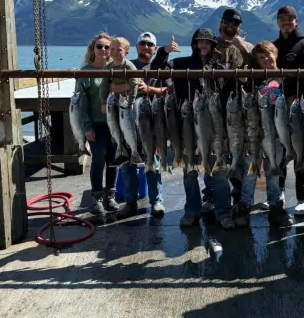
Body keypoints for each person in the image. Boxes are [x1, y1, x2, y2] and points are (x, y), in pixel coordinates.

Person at [151, 28, 243, 229]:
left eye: (207, 42)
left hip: (215, 126)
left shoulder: (220, 66)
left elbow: (233, 90)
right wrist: (164, 50)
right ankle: (191, 211)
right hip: (187, 125)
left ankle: (224, 213)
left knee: (218, 172)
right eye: (199, 42)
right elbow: (156, 67)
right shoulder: (182, 63)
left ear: (212, 45)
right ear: (194, 44)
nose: (203, 45)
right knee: (190, 173)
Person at [234, 41, 293, 228]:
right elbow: (244, 109)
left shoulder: (286, 78)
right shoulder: (254, 79)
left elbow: (292, 106)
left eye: (268, 55)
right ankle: (244, 207)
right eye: (260, 58)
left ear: (275, 54)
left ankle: (276, 207)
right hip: (253, 133)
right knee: (250, 172)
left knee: (273, 172)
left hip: (276, 135)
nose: (265, 59)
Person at [202, 8, 254, 212]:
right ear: (220, 23)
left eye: (235, 24)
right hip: (212, 105)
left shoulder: (246, 46)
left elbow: (254, 71)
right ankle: (210, 195)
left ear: (239, 27)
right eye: (227, 22)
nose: (230, 26)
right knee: (214, 150)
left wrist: (243, 48)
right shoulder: (209, 44)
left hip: (238, 107)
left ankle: (239, 194)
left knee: (238, 150)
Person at [116, 32, 170, 219]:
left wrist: (149, 89)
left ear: (155, 48)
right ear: (136, 46)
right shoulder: (126, 66)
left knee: (152, 159)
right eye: (142, 43)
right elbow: (113, 87)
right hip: (128, 118)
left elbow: (169, 90)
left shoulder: (162, 67)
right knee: (127, 161)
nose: (146, 47)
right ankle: (130, 202)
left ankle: (157, 201)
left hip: (152, 120)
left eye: (150, 44)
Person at [273, 5, 304, 216]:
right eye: (282, 19)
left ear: (296, 21)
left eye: (289, 19)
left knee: (301, 152)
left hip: (300, 109)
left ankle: (303, 198)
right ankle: (279, 192)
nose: (285, 22)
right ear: (278, 22)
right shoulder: (273, 47)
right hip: (277, 109)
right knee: (280, 152)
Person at [74, 33, 121, 215]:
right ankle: (97, 197)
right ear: (92, 49)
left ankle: (111, 195)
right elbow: (81, 104)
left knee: (114, 160)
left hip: (114, 124)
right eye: (99, 46)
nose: (103, 50)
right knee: (98, 160)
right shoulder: (85, 73)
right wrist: (86, 127)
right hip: (96, 124)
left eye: (107, 47)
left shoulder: (115, 70)